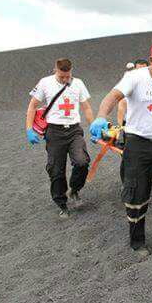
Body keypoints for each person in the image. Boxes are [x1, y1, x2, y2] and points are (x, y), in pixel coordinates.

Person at [89, 41, 152, 257]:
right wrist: (100, 117)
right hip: (137, 144)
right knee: (136, 196)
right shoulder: (136, 77)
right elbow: (112, 96)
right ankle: (137, 241)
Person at [25, 58, 94, 218]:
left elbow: (87, 107)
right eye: (62, 77)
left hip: (74, 130)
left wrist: (93, 126)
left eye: (68, 77)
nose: (65, 80)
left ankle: (75, 190)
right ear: (55, 70)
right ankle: (61, 203)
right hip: (54, 132)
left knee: (82, 162)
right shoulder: (44, 83)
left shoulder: (78, 83)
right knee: (56, 170)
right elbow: (32, 106)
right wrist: (29, 129)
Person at [117, 59, 149, 126]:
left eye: (143, 70)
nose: (141, 73)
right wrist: (119, 127)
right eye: (138, 70)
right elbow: (122, 105)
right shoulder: (129, 84)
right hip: (130, 124)